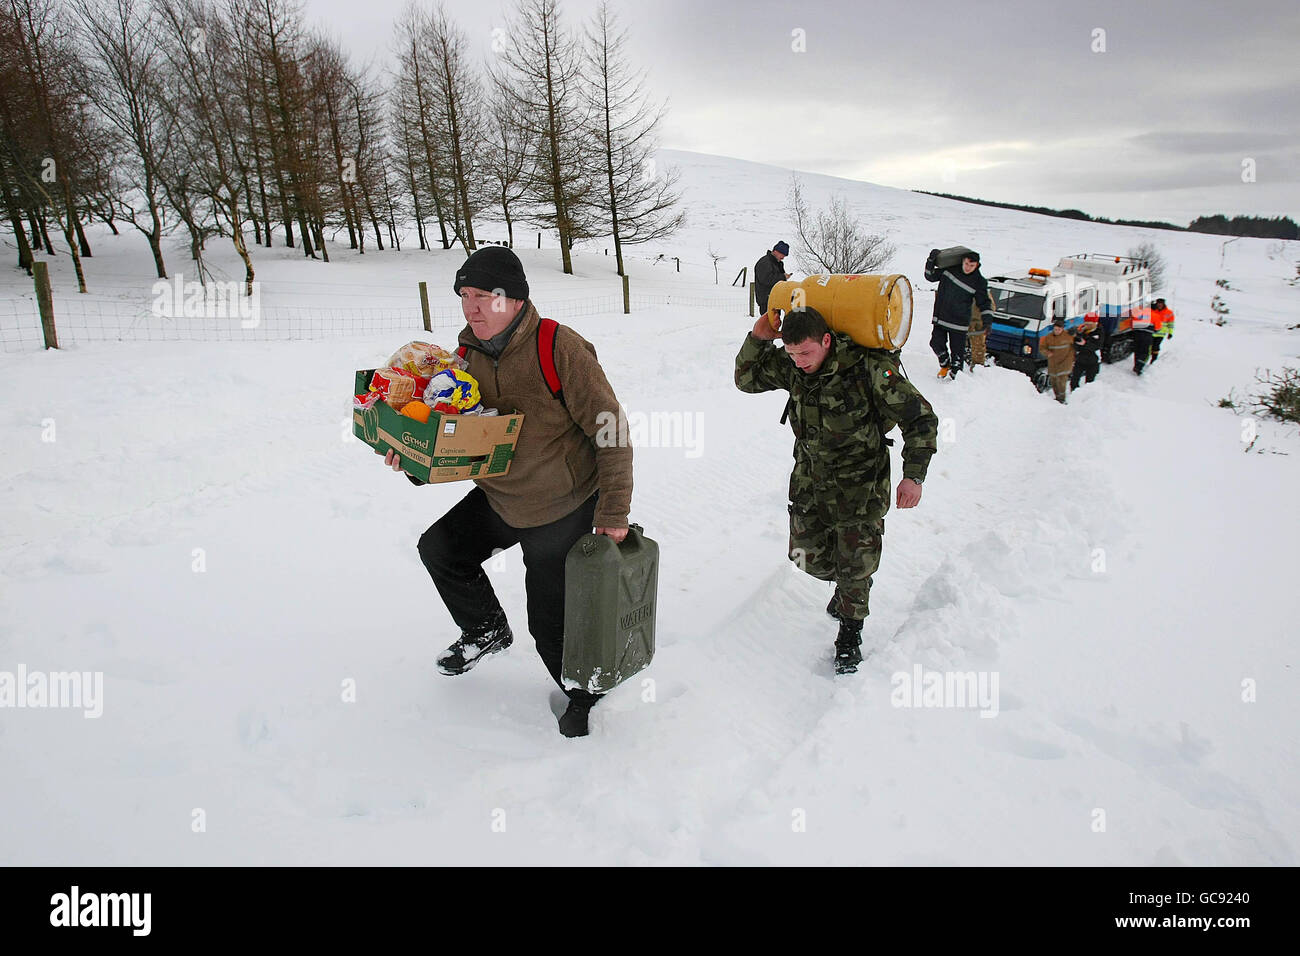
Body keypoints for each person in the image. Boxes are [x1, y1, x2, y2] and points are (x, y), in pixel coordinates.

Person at [380, 246, 634, 738]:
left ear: (515, 299)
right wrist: (411, 459)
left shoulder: (558, 348)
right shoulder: (462, 357)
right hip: (500, 496)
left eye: (484, 296)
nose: (471, 307)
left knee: (550, 626)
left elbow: (612, 431)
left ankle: (584, 696)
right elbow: (453, 438)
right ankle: (486, 629)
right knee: (440, 550)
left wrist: (614, 510)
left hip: (562, 505)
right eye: (464, 295)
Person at [735, 307, 938, 674]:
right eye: (792, 354)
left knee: (854, 567)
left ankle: (849, 635)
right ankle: (845, 588)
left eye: (806, 353)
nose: (798, 362)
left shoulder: (870, 369)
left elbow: (920, 418)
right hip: (810, 483)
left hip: (859, 489)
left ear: (826, 341)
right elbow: (746, 379)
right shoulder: (795, 366)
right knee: (805, 556)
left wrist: (914, 476)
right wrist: (759, 336)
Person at [924, 249, 994, 379]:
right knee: (935, 343)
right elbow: (930, 276)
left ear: (977, 265)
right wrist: (931, 260)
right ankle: (945, 365)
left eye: (972, 265)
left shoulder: (979, 282)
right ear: (962, 261)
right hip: (941, 317)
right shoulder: (949, 270)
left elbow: (984, 303)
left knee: (957, 356)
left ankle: (956, 380)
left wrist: (988, 322)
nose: (968, 268)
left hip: (959, 323)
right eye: (966, 264)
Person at [1039, 315, 1075, 403]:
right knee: (1054, 382)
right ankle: (1058, 397)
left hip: (1065, 363)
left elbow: (1075, 345)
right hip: (1053, 364)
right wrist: (1047, 353)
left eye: (1059, 330)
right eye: (1055, 329)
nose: (1057, 331)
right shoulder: (1049, 338)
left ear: (1062, 329)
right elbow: (1042, 348)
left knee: (1061, 382)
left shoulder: (1068, 337)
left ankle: (1062, 399)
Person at [754, 241, 791, 317]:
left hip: (775, 298)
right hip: (766, 299)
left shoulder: (777, 263)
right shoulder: (765, 262)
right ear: (775, 251)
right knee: (768, 323)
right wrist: (783, 277)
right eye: (782, 254)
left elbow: (777, 278)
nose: (783, 257)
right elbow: (766, 279)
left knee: (775, 323)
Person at [1071, 321, 1102, 390]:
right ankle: (1074, 394)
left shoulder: (1098, 332)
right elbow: (1075, 345)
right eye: (1086, 324)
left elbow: (1097, 346)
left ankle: (1087, 396)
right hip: (1080, 359)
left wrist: (1085, 343)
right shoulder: (1081, 331)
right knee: (1074, 379)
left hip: (1093, 361)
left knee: (1090, 382)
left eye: (1090, 324)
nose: (1088, 326)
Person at [1150, 297, 1175, 364]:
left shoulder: (1169, 313)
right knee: (1149, 346)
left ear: (1164, 304)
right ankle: (1148, 357)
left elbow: (1171, 324)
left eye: (1161, 303)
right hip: (1151, 332)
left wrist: (1170, 333)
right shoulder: (1152, 310)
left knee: (1156, 346)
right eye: (1158, 303)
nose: (1159, 305)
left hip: (1160, 334)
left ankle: (1154, 359)